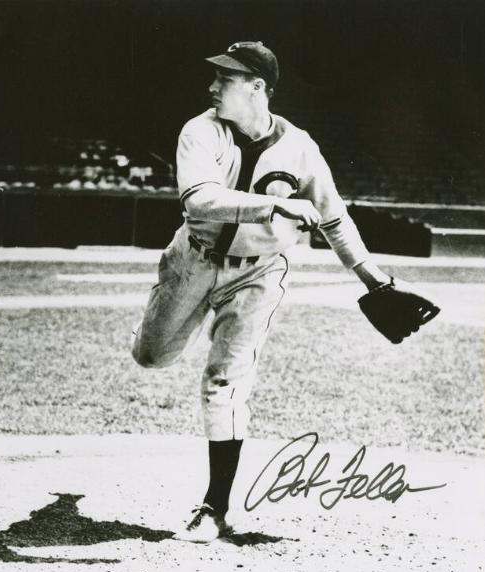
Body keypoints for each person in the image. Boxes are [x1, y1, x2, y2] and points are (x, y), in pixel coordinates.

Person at [131, 41, 391, 543]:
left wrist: (373, 278)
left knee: (225, 384)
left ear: (257, 88)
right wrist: (275, 208)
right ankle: (152, 328)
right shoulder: (200, 131)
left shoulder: (301, 149)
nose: (212, 86)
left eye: (224, 79)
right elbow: (201, 199)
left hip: (259, 272)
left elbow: (335, 217)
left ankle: (215, 508)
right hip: (194, 258)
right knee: (151, 356)